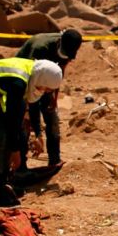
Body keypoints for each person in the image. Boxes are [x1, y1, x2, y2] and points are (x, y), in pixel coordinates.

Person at [0, 57, 62, 207]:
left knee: (15, 132)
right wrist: (15, 152)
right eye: (45, 88)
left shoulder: (34, 74)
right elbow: (12, 120)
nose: (44, 92)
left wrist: (38, 133)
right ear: (41, 79)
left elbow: (33, 106)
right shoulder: (18, 83)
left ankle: (5, 181)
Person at [14, 29, 82, 168]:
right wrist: (36, 131)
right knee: (24, 121)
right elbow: (30, 78)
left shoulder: (68, 48)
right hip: (23, 80)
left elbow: (58, 73)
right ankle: (21, 165)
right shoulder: (40, 48)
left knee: (52, 115)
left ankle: (54, 159)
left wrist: (54, 99)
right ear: (60, 42)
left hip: (45, 80)